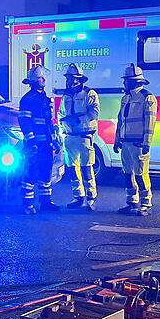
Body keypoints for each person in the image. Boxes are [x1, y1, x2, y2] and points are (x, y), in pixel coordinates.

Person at [113, 64, 157, 216]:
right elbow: (121, 121)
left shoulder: (147, 97)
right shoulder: (125, 98)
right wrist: (117, 140)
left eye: (125, 81)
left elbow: (150, 122)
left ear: (133, 81)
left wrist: (147, 143)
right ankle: (132, 202)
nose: (123, 83)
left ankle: (146, 204)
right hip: (126, 142)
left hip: (139, 143)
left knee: (140, 174)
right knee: (127, 174)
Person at [18, 66, 60, 214]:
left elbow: (50, 123)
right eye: (40, 78)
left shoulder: (45, 99)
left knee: (45, 173)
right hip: (35, 145)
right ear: (34, 81)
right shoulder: (28, 99)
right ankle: (28, 205)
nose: (43, 80)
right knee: (30, 174)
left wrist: (56, 140)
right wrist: (31, 142)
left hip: (46, 144)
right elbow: (24, 121)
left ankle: (45, 203)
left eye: (43, 78)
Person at [59, 63, 100, 211]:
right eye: (68, 78)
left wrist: (76, 119)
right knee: (72, 170)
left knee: (86, 168)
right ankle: (78, 197)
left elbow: (94, 113)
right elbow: (61, 114)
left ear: (79, 80)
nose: (69, 81)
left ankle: (91, 198)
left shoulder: (90, 94)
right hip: (69, 137)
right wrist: (62, 124)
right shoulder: (66, 96)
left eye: (72, 78)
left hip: (84, 137)